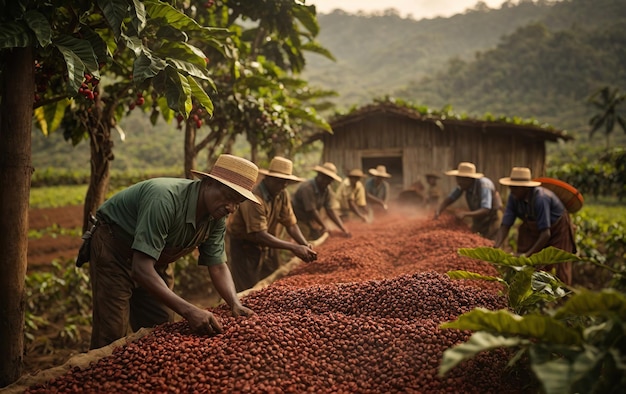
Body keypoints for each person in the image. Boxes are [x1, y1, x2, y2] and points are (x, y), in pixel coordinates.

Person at [86, 154, 257, 349]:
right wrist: (190, 310)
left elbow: (217, 265)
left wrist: (234, 303)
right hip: (115, 251)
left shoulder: (217, 217)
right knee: (112, 334)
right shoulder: (164, 199)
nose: (232, 208)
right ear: (209, 183)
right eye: (229, 197)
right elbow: (141, 268)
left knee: (163, 325)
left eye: (238, 203)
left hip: (155, 259)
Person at [227, 156, 318, 292]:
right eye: (280, 182)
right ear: (269, 179)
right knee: (248, 287)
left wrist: (304, 244)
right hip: (245, 245)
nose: (283, 186)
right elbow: (259, 234)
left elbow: (291, 224)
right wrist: (294, 247)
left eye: (286, 182)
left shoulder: (282, 193)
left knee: (272, 280)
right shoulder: (254, 198)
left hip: (267, 242)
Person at [494, 167, 576, 285]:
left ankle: (562, 298)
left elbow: (546, 234)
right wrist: (496, 246)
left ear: (525, 187)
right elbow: (506, 224)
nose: (512, 190)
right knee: (529, 265)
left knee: (559, 264)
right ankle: (532, 292)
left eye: (515, 187)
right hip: (533, 228)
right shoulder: (514, 197)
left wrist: (528, 255)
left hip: (558, 229)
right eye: (511, 186)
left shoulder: (540, 198)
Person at [434, 162, 503, 240]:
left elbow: (486, 209)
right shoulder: (462, 186)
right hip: (479, 218)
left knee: (491, 242)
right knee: (476, 239)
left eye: (462, 179)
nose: (459, 181)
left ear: (470, 179)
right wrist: (439, 210)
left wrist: (465, 214)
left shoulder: (484, 185)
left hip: (492, 217)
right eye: (458, 178)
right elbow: (449, 199)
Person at [292, 162, 352, 239]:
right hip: (298, 219)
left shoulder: (326, 190)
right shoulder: (307, 188)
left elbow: (330, 210)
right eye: (326, 178)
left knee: (319, 235)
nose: (328, 182)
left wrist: (342, 228)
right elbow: (312, 211)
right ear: (319, 175)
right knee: (303, 237)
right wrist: (324, 226)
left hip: (310, 220)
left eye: (330, 180)